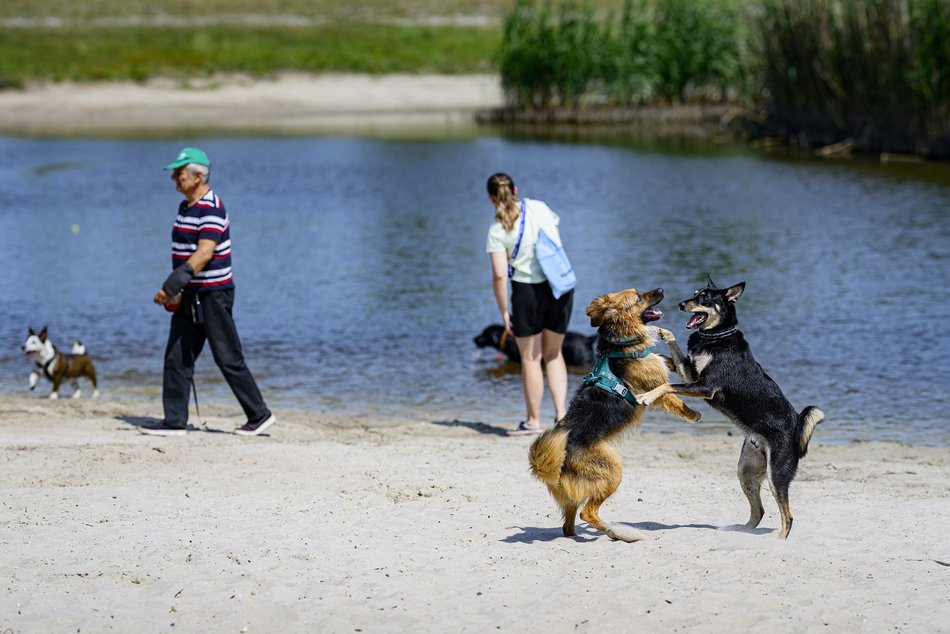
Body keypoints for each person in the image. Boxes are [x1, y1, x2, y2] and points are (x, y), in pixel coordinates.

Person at [140, 147, 276, 437]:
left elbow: (204, 254)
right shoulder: (186, 207)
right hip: (190, 295)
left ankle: (259, 415)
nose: (174, 179)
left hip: (213, 295)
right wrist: (178, 293)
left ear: (199, 176)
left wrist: (170, 285)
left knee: (227, 356)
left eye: (179, 174)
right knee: (177, 357)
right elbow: (185, 253)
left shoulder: (212, 208)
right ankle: (174, 421)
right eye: (174, 174)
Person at [485, 172, 573, 436]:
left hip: (527, 293)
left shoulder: (497, 229)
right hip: (560, 287)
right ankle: (562, 417)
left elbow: (500, 274)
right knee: (554, 354)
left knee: (530, 358)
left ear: (491, 199)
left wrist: (504, 312)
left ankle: (534, 421)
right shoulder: (539, 207)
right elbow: (555, 240)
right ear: (516, 189)